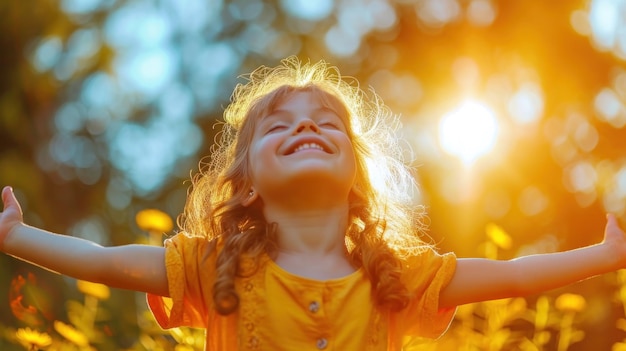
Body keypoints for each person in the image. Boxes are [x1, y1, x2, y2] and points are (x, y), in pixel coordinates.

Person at [0, 57, 625, 351]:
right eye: (279, 126)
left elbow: (513, 275)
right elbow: (106, 260)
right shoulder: (215, 265)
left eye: (328, 122)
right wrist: (18, 237)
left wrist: (601, 257)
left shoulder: (394, 276)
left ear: (356, 177)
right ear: (246, 184)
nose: (306, 127)